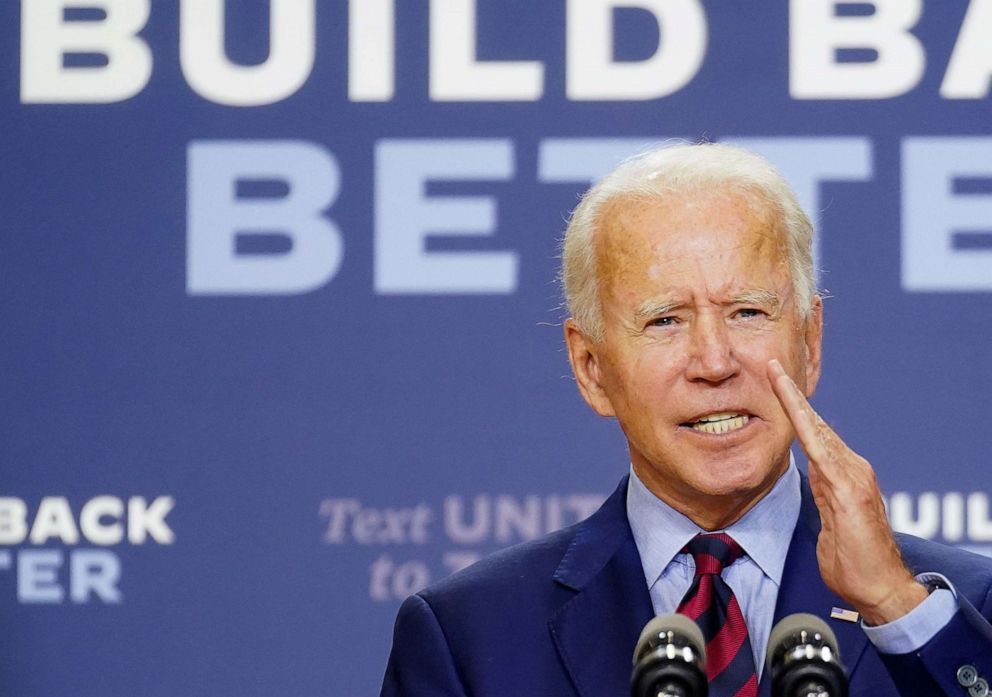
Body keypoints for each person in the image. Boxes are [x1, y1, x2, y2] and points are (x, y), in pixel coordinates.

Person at [379, 143, 992, 697]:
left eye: (748, 312)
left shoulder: (960, 611)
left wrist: (892, 602)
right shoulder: (469, 640)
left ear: (810, 342)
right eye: (665, 320)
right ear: (590, 366)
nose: (714, 362)